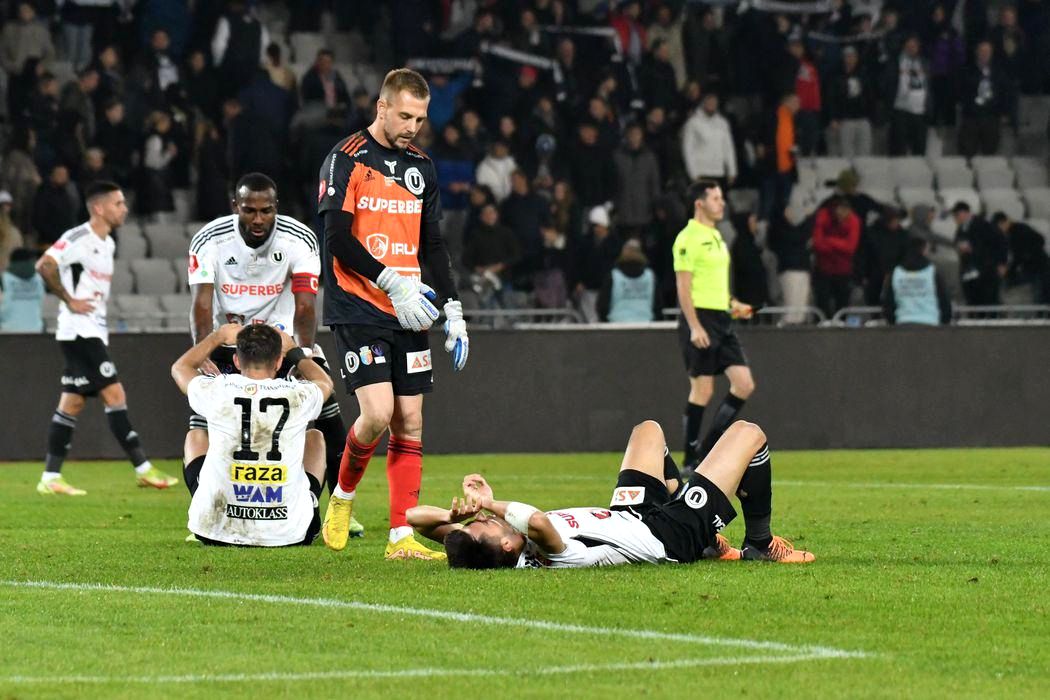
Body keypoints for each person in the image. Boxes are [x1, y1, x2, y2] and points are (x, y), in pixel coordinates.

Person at [317, 68, 467, 561]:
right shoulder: (346, 158)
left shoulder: (422, 166)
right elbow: (336, 239)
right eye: (404, 116)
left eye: (419, 119)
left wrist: (454, 308)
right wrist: (391, 281)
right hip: (358, 302)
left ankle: (401, 536)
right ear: (381, 107)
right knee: (378, 414)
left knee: (411, 420)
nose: (412, 127)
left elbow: (433, 243)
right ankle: (342, 496)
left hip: (410, 309)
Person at [408, 419, 815, 568]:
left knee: (648, 431)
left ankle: (708, 540)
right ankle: (760, 545)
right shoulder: (549, 553)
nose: (484, 519)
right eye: (485, 525)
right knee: (748, 434)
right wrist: (490, 503)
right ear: (509, 546)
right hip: (666, 537)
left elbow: (415, 520)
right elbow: (538, 521)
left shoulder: (486, 548)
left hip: (630, 514)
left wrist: (453, 518)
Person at [186, 172, 350, 513]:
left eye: (266, 210)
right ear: (235, 206)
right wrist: (202, 352)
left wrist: (304, 353)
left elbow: (305, 306)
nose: (258, 219)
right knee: (203, 425)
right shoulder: (209, 240)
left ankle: (340, 509)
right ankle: (205, 507)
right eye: (249, 210)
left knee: (328, 415)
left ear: (276, 207)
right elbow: (201, 304)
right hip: (229, 345)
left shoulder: (299, 239)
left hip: (283, 343)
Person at [33, 182, 177, 496]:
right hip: (79, 331)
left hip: (90, 330)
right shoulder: (78, 237)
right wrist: (69, 300)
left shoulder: (108, 243)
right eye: (118, 203)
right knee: (115, 394)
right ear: (99, 208)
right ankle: (143, 468)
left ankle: (50, 477)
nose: (124, 209)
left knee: (72, 402)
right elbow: (44, 265)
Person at [171, 323, 333, 546]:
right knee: (315, 437)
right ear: (278, 362)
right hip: (288, 535)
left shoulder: (219, 389)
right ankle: (308, 506)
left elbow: (180, 368)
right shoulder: (297, 394)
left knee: (196, 436)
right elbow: (325, 382)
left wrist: (218, 336)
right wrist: (294, 351)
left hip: (216, 532)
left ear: (237, 361)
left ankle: (209, 508)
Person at [674, 180, 755, 470]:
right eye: (716, 198)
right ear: (700, 203)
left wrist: (733, 304)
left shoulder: (717, 236)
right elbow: (684, 286)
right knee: (703, 390)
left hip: (722, 318)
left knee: (744, 384)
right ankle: (689, 458)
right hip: (700, 317)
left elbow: (714, 283)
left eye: (721, 198)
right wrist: (695, 326)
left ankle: (707, 450)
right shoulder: (687, 238)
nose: (722, 203)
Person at [882, 237, 951, 326]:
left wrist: (892, 321)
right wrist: (945, 321)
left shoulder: (896, 273)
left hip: (903, 322)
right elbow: (943, 300)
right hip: (930, 322)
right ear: (923, 250)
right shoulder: (932, 272)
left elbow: (888, 301)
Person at [812, 196, 861, 318]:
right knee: (822, 303)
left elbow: (850, 248)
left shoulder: (853, 220)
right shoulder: (823, 216)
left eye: (845, 213)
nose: (842, 217)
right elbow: (818, 244)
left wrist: (829, 240)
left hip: (844, 269)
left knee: (843, 305)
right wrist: (840, 244)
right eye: (839, 213)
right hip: (823, 269)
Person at [951, 201, 1006, 306]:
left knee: (988, 301)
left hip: (986, 270)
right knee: (973, 301)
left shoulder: (983, 224)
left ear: (965, 213)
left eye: (957, 215)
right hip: (970, 270)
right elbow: (958, 243)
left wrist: (1001, 263)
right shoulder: (961, 228)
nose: (955, 218)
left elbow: (1000, 242)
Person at [597, 239, 656, 322]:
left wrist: (605, 321)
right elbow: (657, 305)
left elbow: (602, 305)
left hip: (617, 322)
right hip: (645, 322)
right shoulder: (650, 276)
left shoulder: (613, 276)